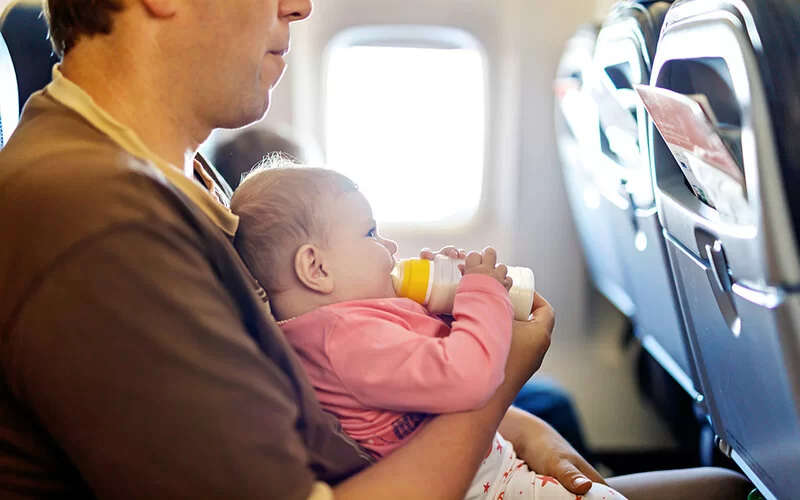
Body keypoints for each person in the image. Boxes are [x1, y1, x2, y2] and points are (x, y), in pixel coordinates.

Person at [0, 1, 753, 499]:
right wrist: (496, 388)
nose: (299, 5)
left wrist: (517, 428)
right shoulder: (100, 220)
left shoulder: (181, 177)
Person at [230, 163, 624, 500]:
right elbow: (467, 377)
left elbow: (426, 366)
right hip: (481, 486)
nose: (390, 245)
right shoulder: (346, 340)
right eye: (371, 234)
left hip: (489, 467)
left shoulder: (350, 326)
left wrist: (448, 299)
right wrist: (481, 293)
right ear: (316, 269)